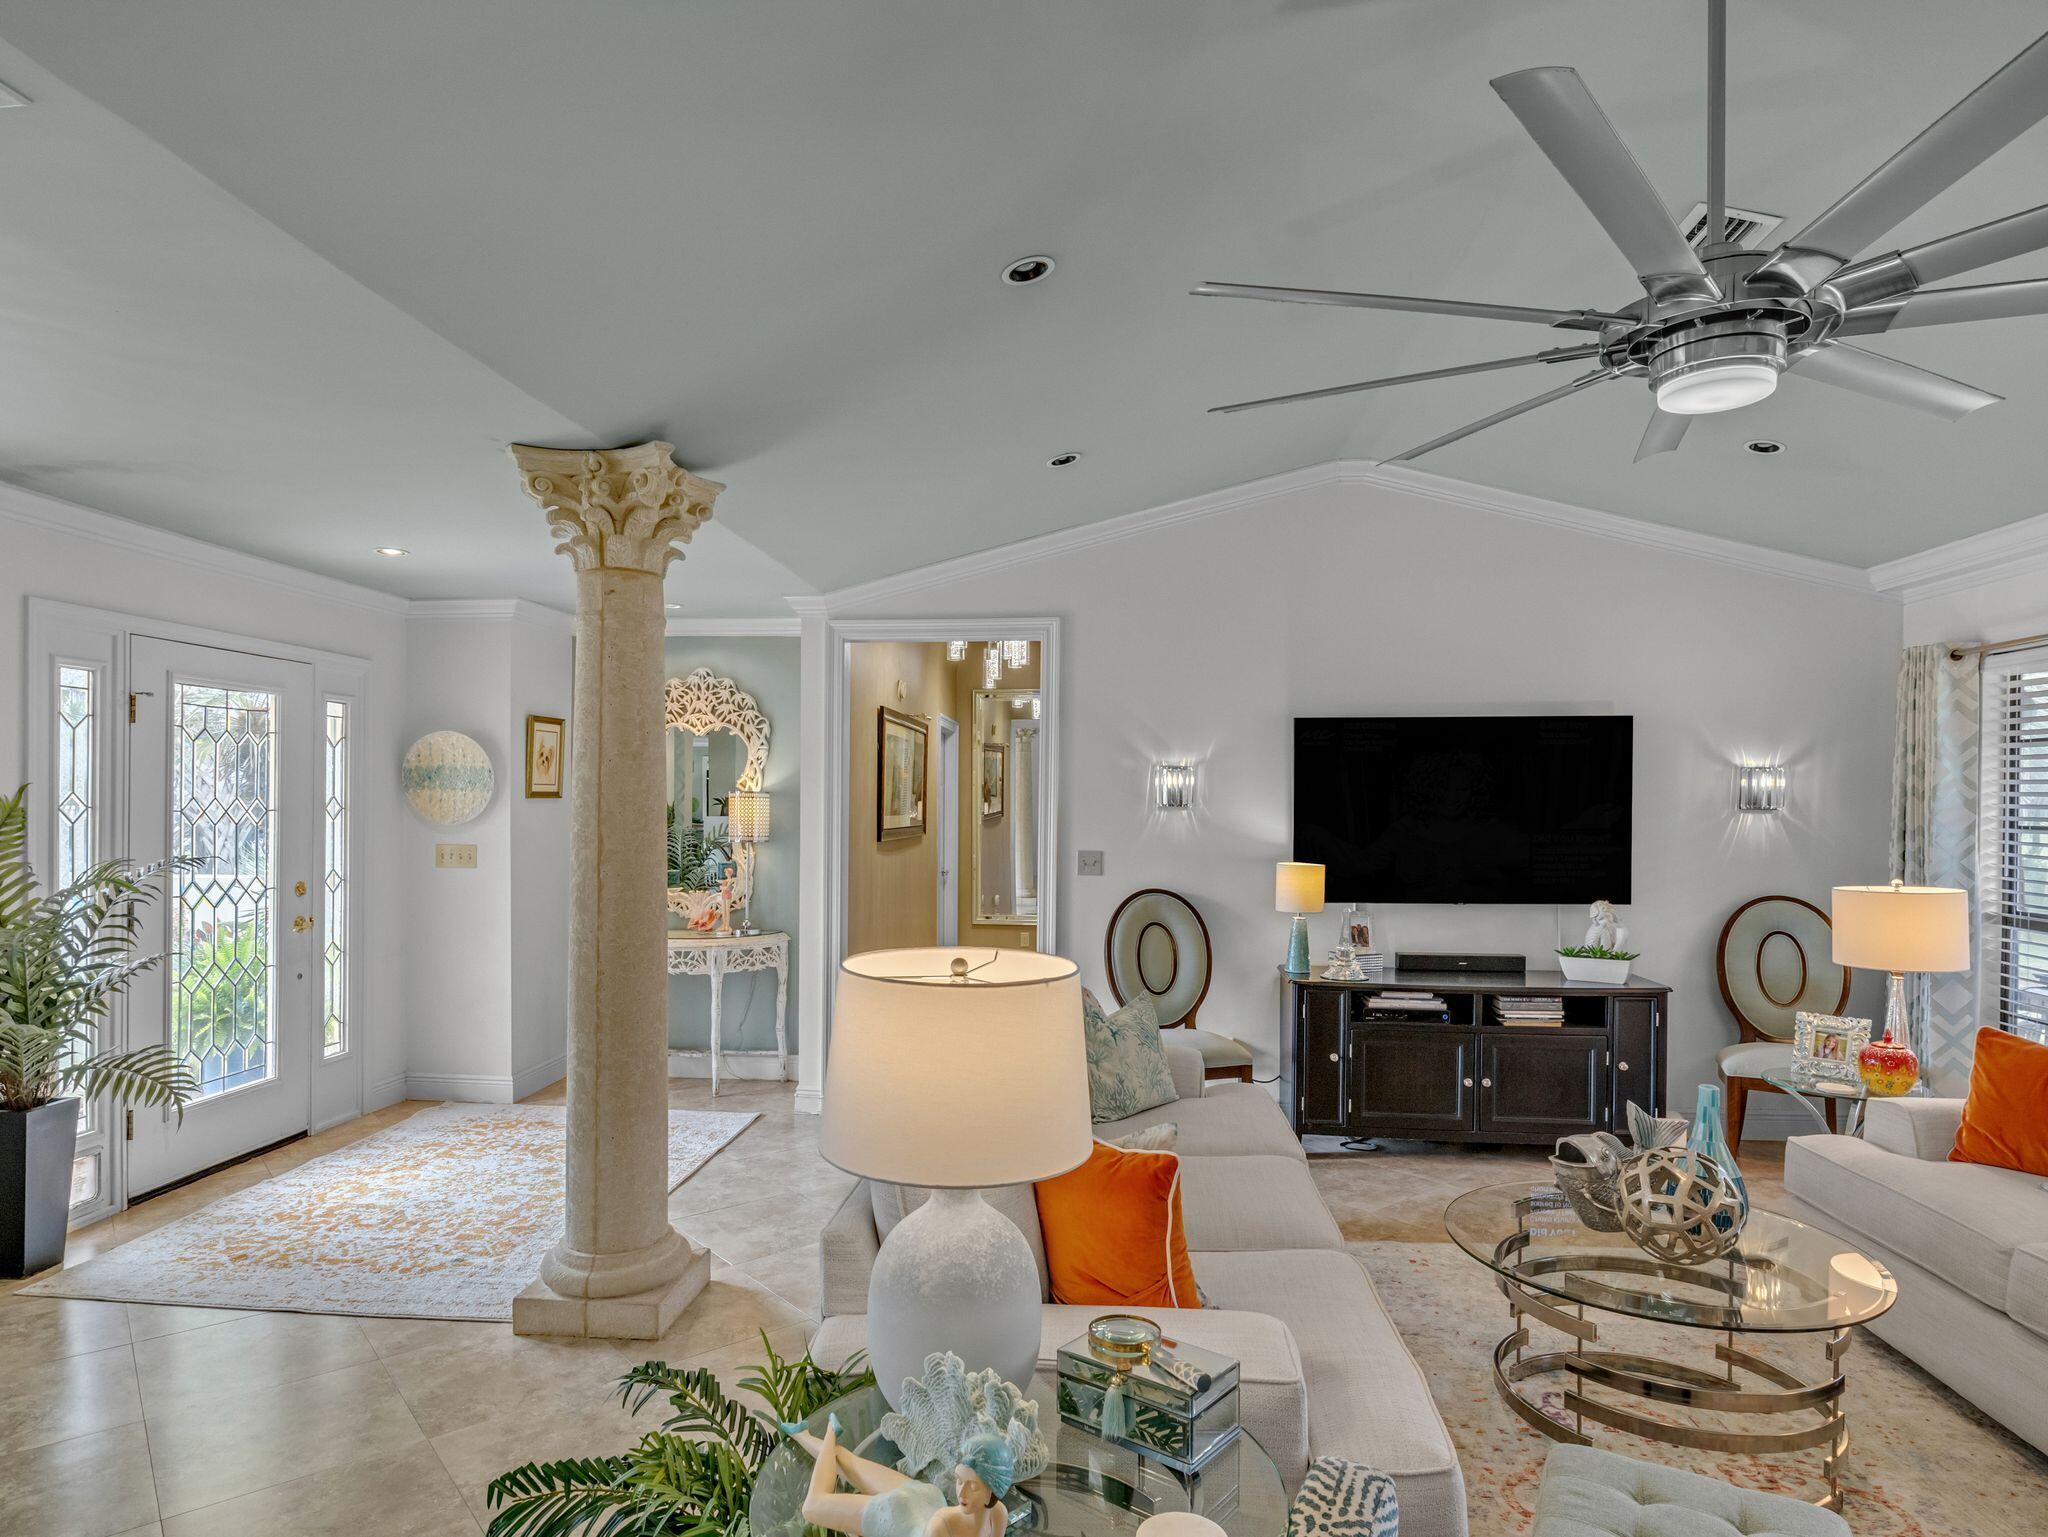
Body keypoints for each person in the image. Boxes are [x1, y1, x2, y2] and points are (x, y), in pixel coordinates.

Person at [787, 1417, 1015, 1537]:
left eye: (973, 1486)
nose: (961, 1493)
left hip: (926, 1498)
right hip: (894, 1516)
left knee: (843, 1459)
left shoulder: (999, 1514)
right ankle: (830, 1431)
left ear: (994, 1490)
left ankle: (801, 1433)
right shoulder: (942, 1527)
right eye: (958, 1480)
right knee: (812, 1506)